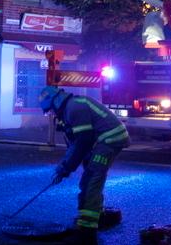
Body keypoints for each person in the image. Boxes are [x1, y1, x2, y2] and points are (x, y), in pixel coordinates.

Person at [39, 85, 130, 245]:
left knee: (91, 179)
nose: (52, 114)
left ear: (56, 101)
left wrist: (66, 168)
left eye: (51, 109)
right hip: (101, 140)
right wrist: (64, 167)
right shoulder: (69, 110)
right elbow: (76, 145)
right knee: (90, 177)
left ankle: (87, 231)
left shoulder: (74, 108)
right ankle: (94, 216)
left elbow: (83, 142)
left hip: (109, 139)